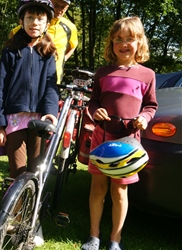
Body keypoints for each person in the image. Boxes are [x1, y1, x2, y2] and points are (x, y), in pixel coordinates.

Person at [81, 16, 158, 250]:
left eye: (130, 39)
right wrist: (96, 112)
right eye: (118, 39)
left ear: (139, 43)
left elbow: (151, 106)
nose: (124, 44)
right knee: (97, 188)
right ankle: (94, 235)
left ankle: (115, 239)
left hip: (128, 143)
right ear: (111, 44)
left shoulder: (147, 74)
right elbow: (92, 102)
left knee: (119, 191)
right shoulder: (103, 73)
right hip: (101, 139)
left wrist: (143, 119)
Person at [0, 0, 59, 246]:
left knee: (37, 170)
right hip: (15, 119)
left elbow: (52, 88)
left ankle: (33, 220)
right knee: (17, 171)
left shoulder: (48, 52)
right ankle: (15, 217)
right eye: (30, 17)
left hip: (40, 120)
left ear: (47, 23)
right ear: (22, 21)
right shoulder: (11, 51)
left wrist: (51, 113)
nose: (35, 23)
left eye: (40, 18)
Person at [10, 0, 78, 84]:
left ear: (67, 7)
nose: (59, 10)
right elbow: (11, 41)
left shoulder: (70, 28)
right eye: (56, 5)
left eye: (63, 7)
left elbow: (73, 45)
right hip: (28, 80)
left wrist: (64, 58)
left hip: (54, 80)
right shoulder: (33, 25)